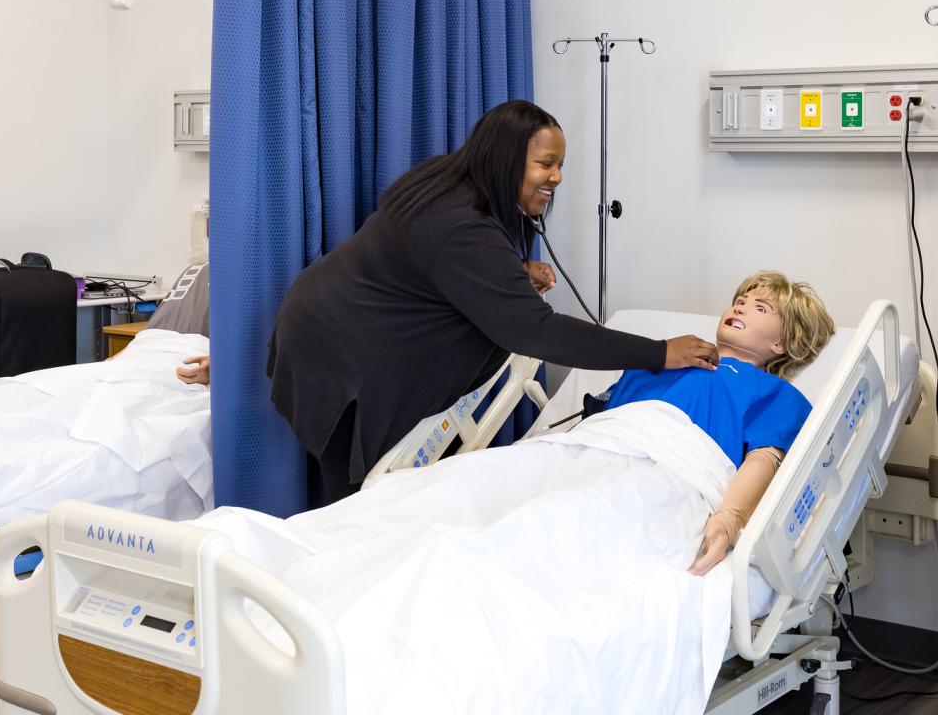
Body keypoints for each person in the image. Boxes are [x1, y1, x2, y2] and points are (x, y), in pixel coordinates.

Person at [268, 100, 719, 504]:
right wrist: (659, 352)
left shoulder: (453, 183)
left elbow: (427, 263)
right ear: (506, 161)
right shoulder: (460, 226)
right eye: (546, 164)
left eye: (561, 165)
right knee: (352, 508)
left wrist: (511, 272)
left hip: (326, 317)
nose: (558, 178)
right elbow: (538, 331)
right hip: (333, 353)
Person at [598, 270, 835, 574]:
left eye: (760, 308)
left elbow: (764, 457)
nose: (740, 307)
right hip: (604, 449)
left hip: (671, 474)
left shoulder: (776, 393)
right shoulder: (658, 360)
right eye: (740, 301)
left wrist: (730, 518)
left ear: (781, 343)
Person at [139, 262, 211, 385]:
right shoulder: (197, 269)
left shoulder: (249, 277)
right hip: (146, 353)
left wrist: (217, 368)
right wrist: (126, 352)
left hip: (188, 360)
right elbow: (151, 333)